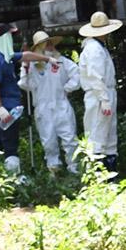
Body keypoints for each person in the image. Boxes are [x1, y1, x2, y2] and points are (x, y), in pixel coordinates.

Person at [0, 22, 50, 172]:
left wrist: (46, 59)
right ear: (3, 37)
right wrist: (0, 108)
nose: (12, 39)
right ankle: (13, 180)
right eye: (10, 36)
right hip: (4, 109)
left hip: (5, 107)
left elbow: (25, 55)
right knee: (10, 146)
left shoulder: (5, 55)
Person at [20, 30, 81, 174]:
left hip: (62, 105)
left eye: (49, 42)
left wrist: (68, 88)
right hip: (43, 108)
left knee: (70, 138)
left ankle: (74, 169)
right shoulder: (33, 66)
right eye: (44, 43)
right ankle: (54, 170)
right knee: (49, 141)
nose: (48, 45)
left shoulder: (61, 61)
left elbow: (77, 74)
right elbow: (25, 84)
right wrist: (25, 69)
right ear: (37, 48)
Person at [76, 10, 123, 174]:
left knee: (109, 134)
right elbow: (95, 77)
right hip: (98, 96)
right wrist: (103, 99)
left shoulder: (99, 47)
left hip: (106, 93)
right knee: (97, 135)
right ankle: (97, 177)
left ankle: (111, 174)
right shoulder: (94, 49)